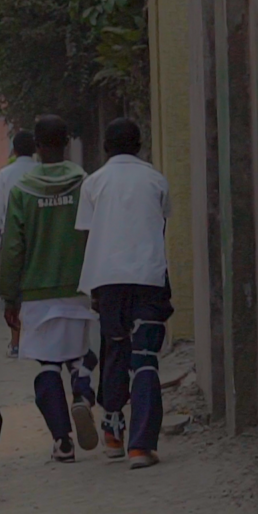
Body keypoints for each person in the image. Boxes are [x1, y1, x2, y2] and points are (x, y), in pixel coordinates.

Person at [0, 115, 99, 462]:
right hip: (80, 285)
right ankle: (83, 395)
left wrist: (9, 296)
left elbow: (13, 249)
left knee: (47, 365)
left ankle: (62, 441)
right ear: (67, 142)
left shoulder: (22, 190)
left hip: (39, 292)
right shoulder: (85, 184)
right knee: (78, 354)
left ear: (37, 148)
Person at [76, 118, 174, 470]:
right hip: (148, 276)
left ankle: (113, 432)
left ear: (105, 147)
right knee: (144, 356)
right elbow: (159, 225)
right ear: (140, 144)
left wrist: (95, 285)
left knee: (114, 349)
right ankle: (141, 447)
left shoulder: (94, 183)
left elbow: (88, 234)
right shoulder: (156, 179)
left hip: (108, 279)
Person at [0, 130, 39, 359]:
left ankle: (16, 343)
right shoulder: (41, 171)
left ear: (14, 151)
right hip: (39, 236)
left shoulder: (5, 174)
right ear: (35, 149)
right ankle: (38, 339)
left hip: (12, 237)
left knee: (14, 291)